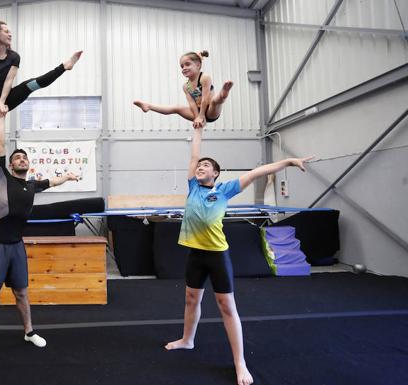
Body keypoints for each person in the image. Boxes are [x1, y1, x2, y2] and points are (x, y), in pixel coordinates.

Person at [167, 125, 313, 385]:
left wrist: (289, 161)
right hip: (195, 254)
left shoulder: (224, 190)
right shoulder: (193, 187)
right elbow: (193, 155)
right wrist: (198, 129)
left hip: (216, 256)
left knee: (227, 306)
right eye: (199, 165)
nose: (200, 167)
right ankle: (187, 340)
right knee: (191, 299)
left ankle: (240, 362)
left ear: (216, 173)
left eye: (206, 165)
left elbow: (257, 172)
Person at [0, 115, 79, 365]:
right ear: (9, 166)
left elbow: (52, 181)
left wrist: (68, 176)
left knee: (22, 292)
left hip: (17, 247)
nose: (21, 159)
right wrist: (1, 118)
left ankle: (29, 332)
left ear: (28, 164)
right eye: (16, 157)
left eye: (24, 157)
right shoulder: (2, 177)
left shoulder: (31, 186)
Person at [133, 51, 233, 128]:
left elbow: (205, 99)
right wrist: (197, 117)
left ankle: (223, 95)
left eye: (187, 64)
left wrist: (202, 115)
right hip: (197, 111)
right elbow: (192, 104)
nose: (184, 68)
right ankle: (149, 106)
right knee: (177, 108)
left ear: (198, 65)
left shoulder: (204, 77)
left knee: (215, 101)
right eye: (182, 66)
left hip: (211, 110)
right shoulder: (186, 86)